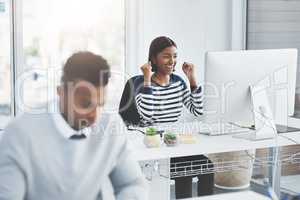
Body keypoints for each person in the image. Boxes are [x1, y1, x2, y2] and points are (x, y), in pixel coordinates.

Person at [0, 51, 148, 200]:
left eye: (100, 105)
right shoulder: (19, 134)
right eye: (85, 104)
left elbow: (132, 184)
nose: (94, 116)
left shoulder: (110, 124)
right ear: (61, 92)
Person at [119, 36, 214, 199]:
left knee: (207, 167)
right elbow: (147, 113)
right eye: (166, 56)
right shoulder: (141, 85)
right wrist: (148, 79)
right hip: (153, 146)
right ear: (153, 59)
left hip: (174, 142)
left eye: (175, 56)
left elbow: (197, 110)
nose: (172, 61)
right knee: (184, 170)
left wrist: (192, 79)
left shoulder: (178, 82)